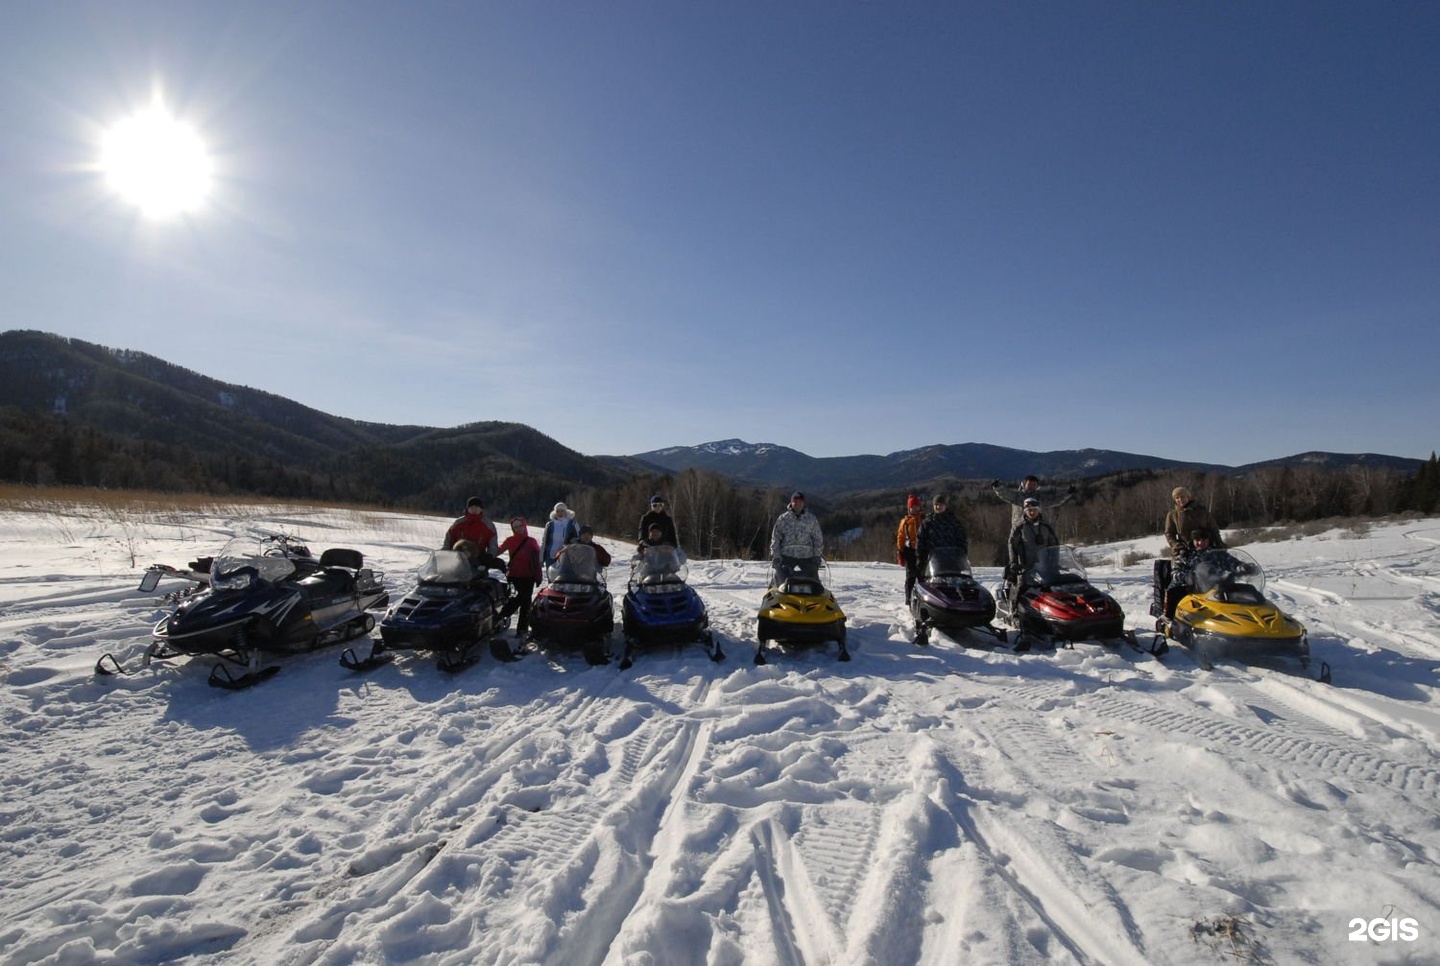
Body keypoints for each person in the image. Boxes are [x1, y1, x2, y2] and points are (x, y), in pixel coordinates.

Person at [1006, 498, 1060, 610]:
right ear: (1025, 511)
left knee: (1053, 587)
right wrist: (1014, 562)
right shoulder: (1019, 526)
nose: (1032, 512)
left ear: (1039, 510)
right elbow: (1012, 545)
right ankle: (1014, 611)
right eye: (1029, 510)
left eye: (1034, 509)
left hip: (1044, 564)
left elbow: (1054, 545)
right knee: (1021, 588)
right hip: (1025, 565)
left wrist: (1055, 562)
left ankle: (1052, 610)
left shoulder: (1046, 526)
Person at [496, 516, 542, 638]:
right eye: (515, 527)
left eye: (520, 526)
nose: (518, 529)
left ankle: (520, 629)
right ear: (513, 528)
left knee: (526, 603)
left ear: (524, 525)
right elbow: (498, 551)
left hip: (529, 576)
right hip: (515, 575)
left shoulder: (532, 541)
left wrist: (538, 576)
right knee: (521, 599)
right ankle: (503, 616)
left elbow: (537, 560)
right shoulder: (510, 540)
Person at [770, 491, 824, 581]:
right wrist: (776, 556)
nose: (798, 504)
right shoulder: (783, 519)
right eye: (795, 501)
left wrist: (817, 556)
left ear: (804, 503)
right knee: (779, 580)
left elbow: (818, 539)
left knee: (814, 582)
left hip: (807, 556)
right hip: (787, 556)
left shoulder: (811, 519)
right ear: (791, 503)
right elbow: (775, 538)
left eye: (800, 502)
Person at [992, 475, 1077, 531]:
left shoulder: (1040, 497)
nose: (1031, 487)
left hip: (1036, 528)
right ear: (1024, 484)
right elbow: (1006, 494)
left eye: (1034, 485)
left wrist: (1068, 493)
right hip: (1019, 527)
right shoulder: (1018, 496)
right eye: (1029, 484)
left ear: (1037, 486)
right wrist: (997, 487)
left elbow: (1055, 500)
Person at [916, 493, 969, 576]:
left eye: (940, 504)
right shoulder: (927, 522)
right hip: (932, 561)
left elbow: (961, 539)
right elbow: (920, 540)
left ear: (945, 506)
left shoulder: (953, 521)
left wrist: (962, 556)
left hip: (951, 559)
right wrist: (921, 557)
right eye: (936, 505)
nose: (938, 507)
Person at [1164, 487, 1222, 560]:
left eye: (1182, 496)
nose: (1180, 499)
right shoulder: (1172, 515)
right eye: (1177, 498)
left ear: (1188, 497)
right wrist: (1177, 546)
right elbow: (1169, 534)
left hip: (1205, 548)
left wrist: (1219, 543)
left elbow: (1213, 529)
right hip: (1184, 551)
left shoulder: (1202, 511)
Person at [895, 495, 925, 605]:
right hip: (910, 552)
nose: (915, 509)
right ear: (909, 509)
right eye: (912, 507)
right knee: (910, 577)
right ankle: (908, 598)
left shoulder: (924, 519)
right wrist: (900, 552)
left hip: (922, 552)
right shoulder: (905, 521)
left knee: (923, 576)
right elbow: (900, 537)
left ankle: (923, 597)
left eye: (917, 507)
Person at [542, 501, 579, 571]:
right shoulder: (550, 525)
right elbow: (544, 542)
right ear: (555, 512)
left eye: (562, 511)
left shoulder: (572, 524)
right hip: (550, 556)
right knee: (551, 579)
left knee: (564, 579)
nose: (560, 513)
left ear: (566, 512)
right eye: (558, 511)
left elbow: (578, 539)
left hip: (566, 557)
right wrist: (541, 558)